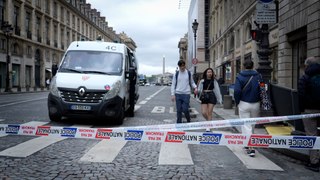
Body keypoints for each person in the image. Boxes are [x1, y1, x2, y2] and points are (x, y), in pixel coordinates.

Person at [234, 59, 263, 157]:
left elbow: (237, 91)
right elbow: (263, 89)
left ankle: (251, 147)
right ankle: (247, 144)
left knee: (246, 125)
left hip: (243, 103)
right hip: (256, 103)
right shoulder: (259, 76)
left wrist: (237, 102)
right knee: (252, 125)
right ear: (253, 66)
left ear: (243, 66)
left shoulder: (239, 76)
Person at [298, 56, 320, 172]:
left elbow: (301, 95)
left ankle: (314, 162)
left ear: (307, 65)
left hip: (309, 111)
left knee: (312, 135)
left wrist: (301, 110)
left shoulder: (305, 77)